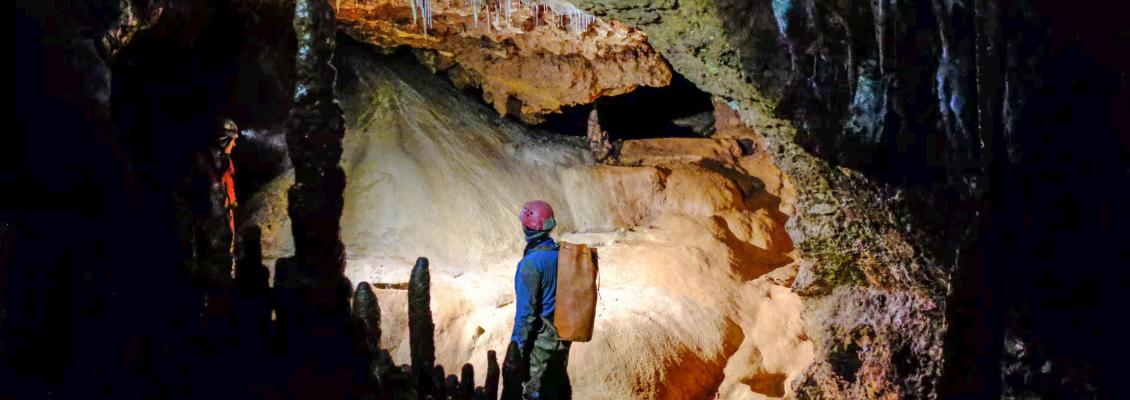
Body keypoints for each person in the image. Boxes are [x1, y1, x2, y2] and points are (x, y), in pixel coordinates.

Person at [511, 200, 572, 399]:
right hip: (562, 340)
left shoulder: (530, 265)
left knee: (536, 394)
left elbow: (525, 316)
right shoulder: (562, 255)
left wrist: (515, 352)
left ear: (526, 228)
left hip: (540, 347)